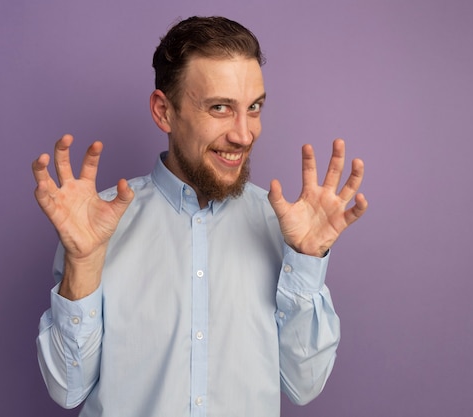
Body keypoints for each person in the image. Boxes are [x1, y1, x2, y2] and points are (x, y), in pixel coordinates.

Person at [32, 16, 367, 417]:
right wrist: (82, 266)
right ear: (164, 111)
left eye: (254, 107)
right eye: (220, 108)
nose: (244, 134)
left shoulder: (288, 230)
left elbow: (305, 385)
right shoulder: (96, 225)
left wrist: (308, 261)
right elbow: (67, 389)